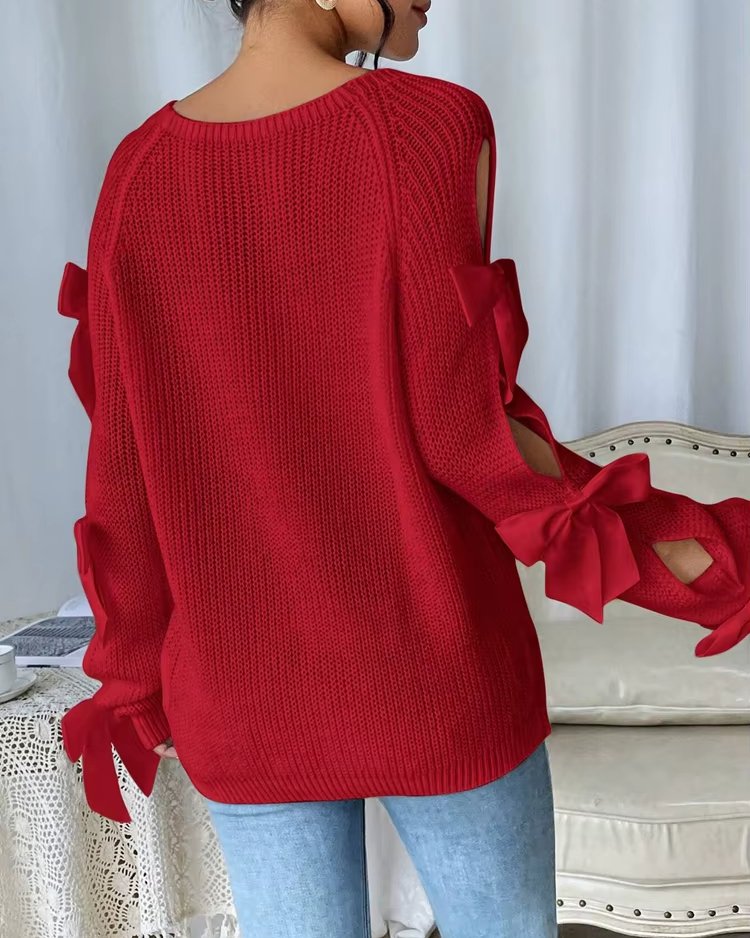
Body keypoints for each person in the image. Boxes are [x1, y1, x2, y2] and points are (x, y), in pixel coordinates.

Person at [56, 1, 750, 936]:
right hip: (437, 670)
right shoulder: (426, 126)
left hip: (242, 693)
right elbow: (472, 436)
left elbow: (122, 471)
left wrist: (134, 679)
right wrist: (710, 560)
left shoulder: (137, 170)